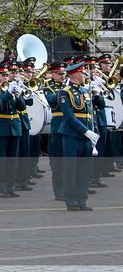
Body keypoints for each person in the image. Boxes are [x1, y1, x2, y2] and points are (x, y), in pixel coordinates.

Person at [58, 59, 100, 211]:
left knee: (84, 170)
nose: (85, 74)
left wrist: (98, 94)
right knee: (71, 169)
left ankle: (82, 200)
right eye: (82, 72)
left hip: (87, 137)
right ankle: (71, 201)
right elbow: (69, 117)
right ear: (75, 74)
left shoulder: (85, 91)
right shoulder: (65, 92)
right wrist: (86, 131)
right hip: (72, 136)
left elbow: (93, 112)